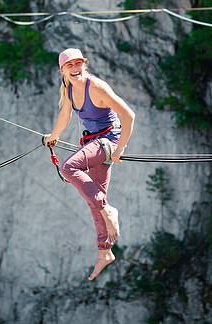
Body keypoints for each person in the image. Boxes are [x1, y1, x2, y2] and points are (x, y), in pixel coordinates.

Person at [44, 48, 135, 280]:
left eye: (79, 64)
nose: (75, 69)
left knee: (68, 168)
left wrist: (120, 148)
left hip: (108, 140)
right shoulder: (68, 89)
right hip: (93, 142)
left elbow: (128, 115)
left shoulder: (96, 87)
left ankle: (108, 209)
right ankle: (105, 252)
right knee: (93, 197)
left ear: (85, 65)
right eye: (70, 65)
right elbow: (65, 115)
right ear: (62, 70)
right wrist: (52, 136)